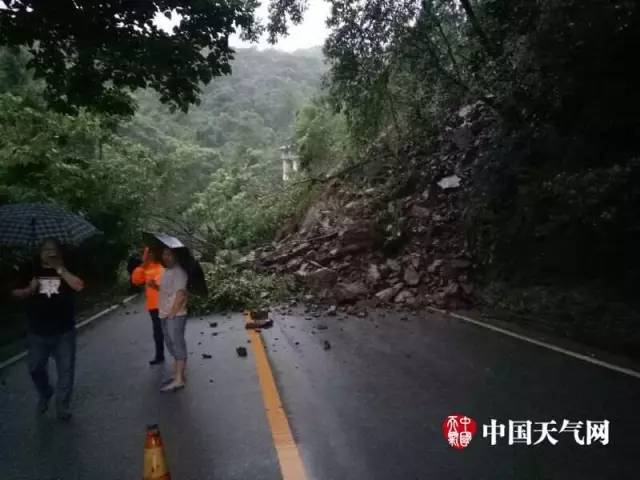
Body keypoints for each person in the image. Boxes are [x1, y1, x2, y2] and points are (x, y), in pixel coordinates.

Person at [11, 239, 84, 420]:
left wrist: (60, 269)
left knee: (66, 371)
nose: (50, 252)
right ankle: (45, 392)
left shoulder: (67, 267)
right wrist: (29, 289)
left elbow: (79, 285)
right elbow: (14, 293)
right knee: (35, 368)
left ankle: (62, 407)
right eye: (46, 249)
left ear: (59, 252)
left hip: (64, 330)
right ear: (40, 252)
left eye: (53, 249)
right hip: (37, 331)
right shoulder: (29, 269)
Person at [158, 247, 189, 392]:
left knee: (177, 344)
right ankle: (177, 374)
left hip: (175, 315)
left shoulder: (179, 272)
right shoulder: (167, 271)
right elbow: (168, 291)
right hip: (165, 314)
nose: (166, 256)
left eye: (169, 254)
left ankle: (179, 379)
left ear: (176, 256)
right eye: (164, 254)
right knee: (171, 344)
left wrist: (172, 313)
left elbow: (181, 294)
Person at [131, 247, 165, 365]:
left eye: (152, 252)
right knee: (157, 332)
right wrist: (143, 265)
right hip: (153, 306)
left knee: (172, 332)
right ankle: (159, 356)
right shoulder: (145, 268)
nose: (150, 255)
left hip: (168, 304)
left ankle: (180, 357)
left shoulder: (164, 265)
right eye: (147, 253)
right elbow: (136, 281)